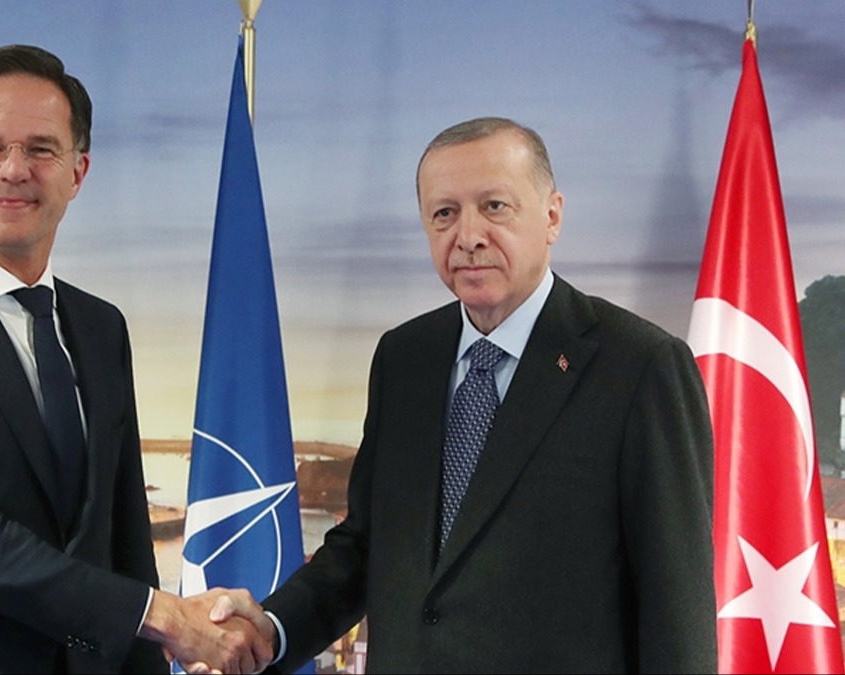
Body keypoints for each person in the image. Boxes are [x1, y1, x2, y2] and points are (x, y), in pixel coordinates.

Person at [207, 117, 717, 673]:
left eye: (494, 206)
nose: (468, 236)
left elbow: (677, 611)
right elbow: (366, 548)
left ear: (552, 216)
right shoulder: (404, 358)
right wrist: (271, 628)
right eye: (444, 213)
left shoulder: (640, 367)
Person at [0, 44, 269, 674]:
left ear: (77, 172)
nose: (14, 169)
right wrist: (169, 618)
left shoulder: (101, 328)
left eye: (41, 149)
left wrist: (159, 648)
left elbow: (123, 541)